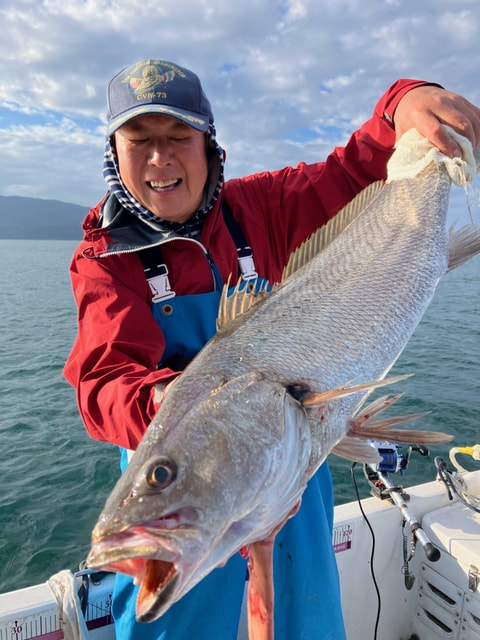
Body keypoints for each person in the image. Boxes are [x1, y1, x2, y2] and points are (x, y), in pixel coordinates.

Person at [64, 58, 480, 640]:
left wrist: (407, 100)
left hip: (287, 462)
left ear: (209, 145)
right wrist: (170, 404)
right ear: (114, 151)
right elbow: (102, 378)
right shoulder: (105, 259)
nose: (160, 158)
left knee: (305, 616)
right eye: (140, 141)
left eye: (178, 137)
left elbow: (351, 170)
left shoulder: (256, 208)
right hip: (186, 479)